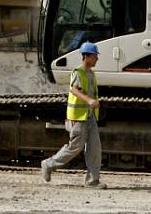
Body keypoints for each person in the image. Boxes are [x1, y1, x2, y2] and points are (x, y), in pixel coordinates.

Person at [41, 41, 106, 188]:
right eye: (95, 56)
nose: (97, 58)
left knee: (95, 148)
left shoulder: (91, 73)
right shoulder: (79, 72)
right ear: (87, 56)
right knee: (75, 147)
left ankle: (92, 181)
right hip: (78, 117)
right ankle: (48, 164)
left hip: (89, 116)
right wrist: (89, 100)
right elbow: (74, 90)